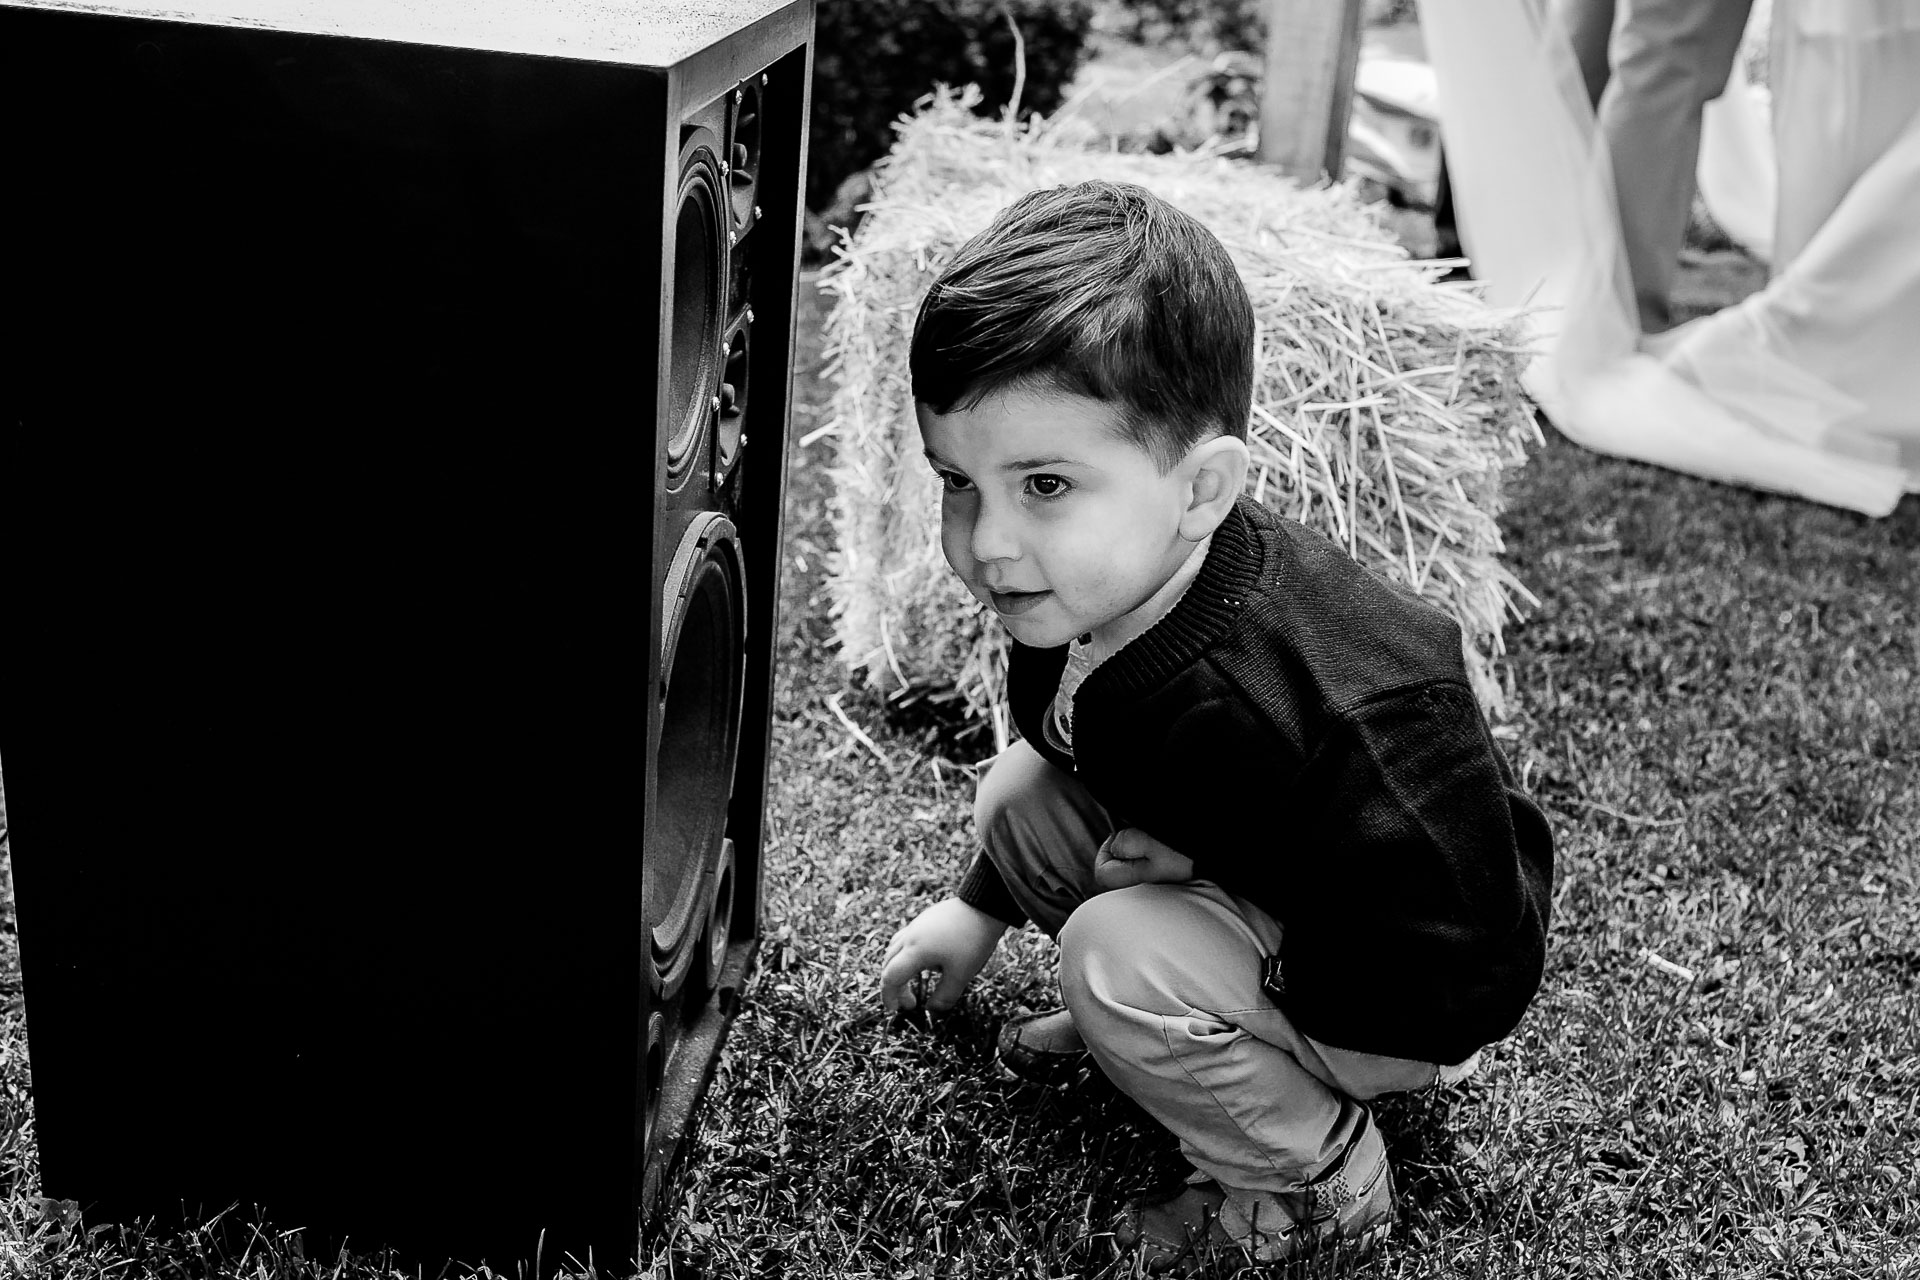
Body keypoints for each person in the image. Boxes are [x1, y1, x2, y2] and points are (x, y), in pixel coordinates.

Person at [875, 179, 1556, 1271]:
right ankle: (1168, 1029)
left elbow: (1457, 913)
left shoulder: (1299, 693)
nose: (987, 541)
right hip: (1277, 880)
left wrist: (1225, 888)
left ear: (1202, 491)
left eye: (1045, 483)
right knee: (1016, 789)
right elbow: (1073, 749)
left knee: (1115, 951)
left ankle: (1316, 1172)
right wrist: (977, 910)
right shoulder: (1088, 582)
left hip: (1397, 982)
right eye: (960, 480)